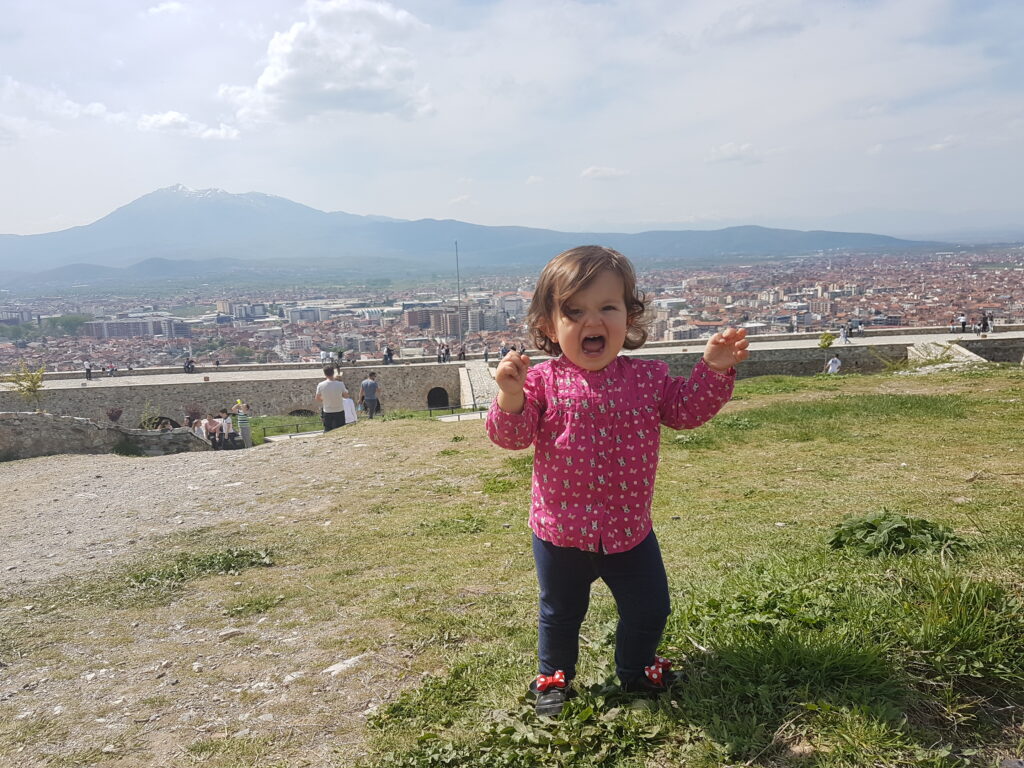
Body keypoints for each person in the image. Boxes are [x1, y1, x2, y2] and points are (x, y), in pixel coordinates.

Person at [486, 245, 748, 717]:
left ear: (629, 317)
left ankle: (635, 668)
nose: (594, 321)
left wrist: (714, 369)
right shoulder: (542, 384)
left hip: (630, 530)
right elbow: (513, 438)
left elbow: (686, 411)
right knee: (561, 613)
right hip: (560, 532)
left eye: (608, 307)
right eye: (575, 311)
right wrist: (509, 396)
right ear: (548, 325)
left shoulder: (647, 378)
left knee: (650, 608)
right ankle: (554, 677)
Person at [315, 366, 348, 432]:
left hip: (327, 411)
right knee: (340, 430)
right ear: (333, 373)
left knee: (328, 430)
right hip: (339, 410)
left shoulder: (321, 385)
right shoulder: (340, 384)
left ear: (325, 374)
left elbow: (317, 398)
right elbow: (346, 396)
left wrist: (325, 400)